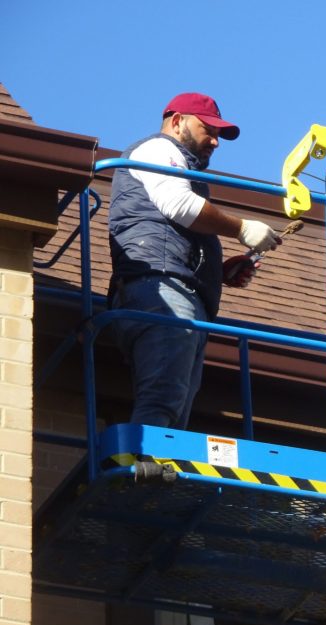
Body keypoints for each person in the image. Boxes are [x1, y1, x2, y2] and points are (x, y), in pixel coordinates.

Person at [107, 92, 281, 429]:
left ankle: (153, 473)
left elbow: (171, 228)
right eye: (209, 130)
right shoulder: (158, 150)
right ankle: (144, 472)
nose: (215, 142)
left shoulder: (181, 168)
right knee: (164, 398)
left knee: (175, 405)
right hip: (160, 290)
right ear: (177, 121)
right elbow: (179, 206)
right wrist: (243, 228)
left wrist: (218, 273)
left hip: (171, 290)